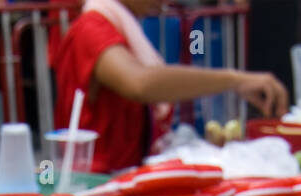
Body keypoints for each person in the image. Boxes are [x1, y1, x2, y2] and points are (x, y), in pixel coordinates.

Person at [51, 0, 289, 173]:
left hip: (125, 178)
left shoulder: (122, 27)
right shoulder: (91, 28)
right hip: (97, 184)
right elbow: (140, 83)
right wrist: (236, 80)